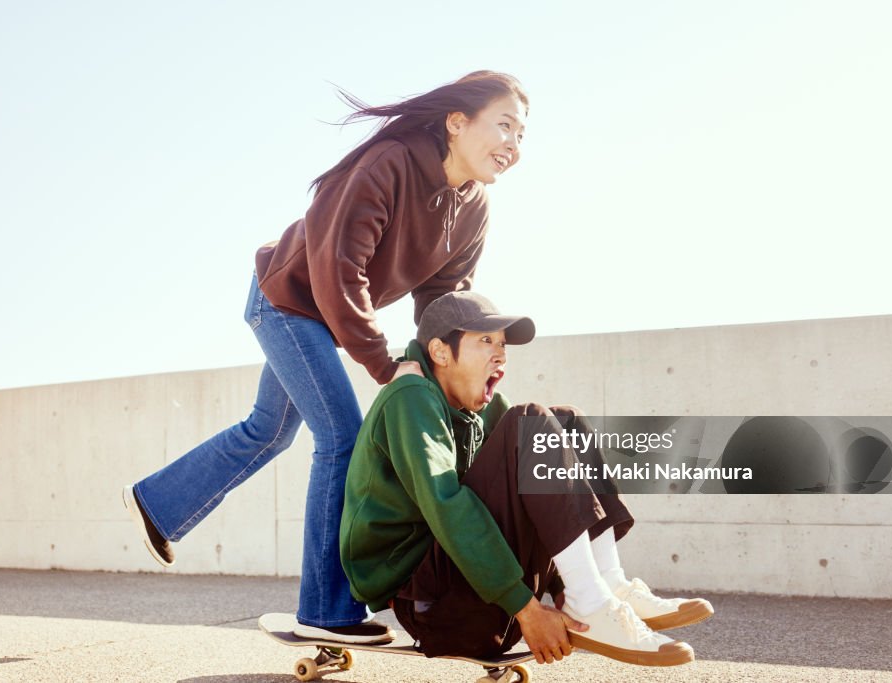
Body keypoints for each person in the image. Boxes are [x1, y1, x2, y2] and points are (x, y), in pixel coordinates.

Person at [122, 71, 530, 644]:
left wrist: (439, 364)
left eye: (522, 134)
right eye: (504, 125)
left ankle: (157, 501)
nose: (513, 144)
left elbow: (443, 300)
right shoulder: (387, 164)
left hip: (325, 319)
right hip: (286, 300)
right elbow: (339, 273)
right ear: (457, 123)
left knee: (267, 431)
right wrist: (390, 367)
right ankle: (325, 610)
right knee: (343, 433)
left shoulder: (474, 207)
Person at [339, 291, 715, 666]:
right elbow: (447, 505)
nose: (500, 354)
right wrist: (528, 609)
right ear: (439, 352)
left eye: (502, 344)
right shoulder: (411, 396)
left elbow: (543, 502)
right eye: (485, 340)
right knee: (530, 420)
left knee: (565, 420)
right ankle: (592, 601)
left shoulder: (482, 410)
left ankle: (604, 587)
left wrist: (556, 592)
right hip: (436, 610)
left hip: (484, 601)